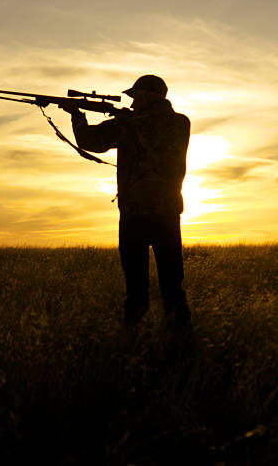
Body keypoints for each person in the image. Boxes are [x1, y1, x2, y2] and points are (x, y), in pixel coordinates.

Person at [60, 75, 191, 326]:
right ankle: (180, 337)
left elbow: (89, 141)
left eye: (136, 97)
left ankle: (133, 338)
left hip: (135, 213)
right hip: (168, 211)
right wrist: (121, 118)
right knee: (173, 284)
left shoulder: (130, 124)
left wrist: (77, 115)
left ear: (150, 96)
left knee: (136, 287)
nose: (131, 104)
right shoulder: (180, 122)